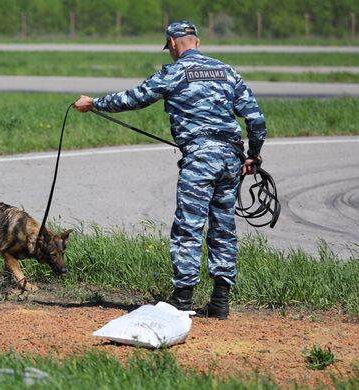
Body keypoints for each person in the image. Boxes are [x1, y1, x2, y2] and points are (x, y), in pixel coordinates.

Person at [74, 21, 267, 320]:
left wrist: (94, 104)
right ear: (197, 42)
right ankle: (219, 302)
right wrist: (253, 155)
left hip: (200, 159)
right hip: (231, 158)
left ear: (173, 45)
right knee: (223, 228)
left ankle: (182, 301)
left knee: (188, 227)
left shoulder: (172, 72)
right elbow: (256, 119)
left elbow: (133, 98)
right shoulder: (228, 71)